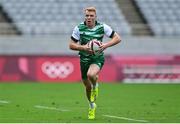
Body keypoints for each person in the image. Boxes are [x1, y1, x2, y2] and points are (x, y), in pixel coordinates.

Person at [69, 6, 121, 119]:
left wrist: (105, 45)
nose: (89, 17)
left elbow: (117, 38)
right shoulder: (79, 28)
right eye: (87, 15)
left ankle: (95, 84)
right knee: (87, 87)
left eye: (91, 16)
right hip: (83, 59)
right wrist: (83, 48)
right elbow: (71, 45)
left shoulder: (102, 27)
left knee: (91, 75)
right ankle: (92, 106)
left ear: (95, 17)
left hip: (97, 58)